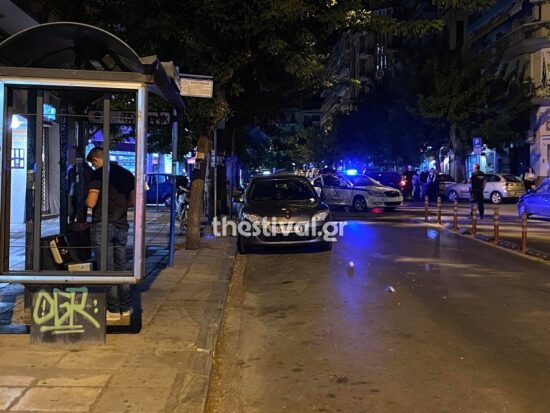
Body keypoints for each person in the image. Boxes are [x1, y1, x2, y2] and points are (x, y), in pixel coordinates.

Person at [85, 147, 135, 321]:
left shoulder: (98, 175)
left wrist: (85, 200)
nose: (93, 167)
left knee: (107, 268)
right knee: (121, 267)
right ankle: (126, 307)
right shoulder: (127, 174)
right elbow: (132, 201)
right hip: (121, 225)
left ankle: (113, 309)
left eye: (93, 164)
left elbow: (91, 202)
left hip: (102, 224)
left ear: (96, 160)